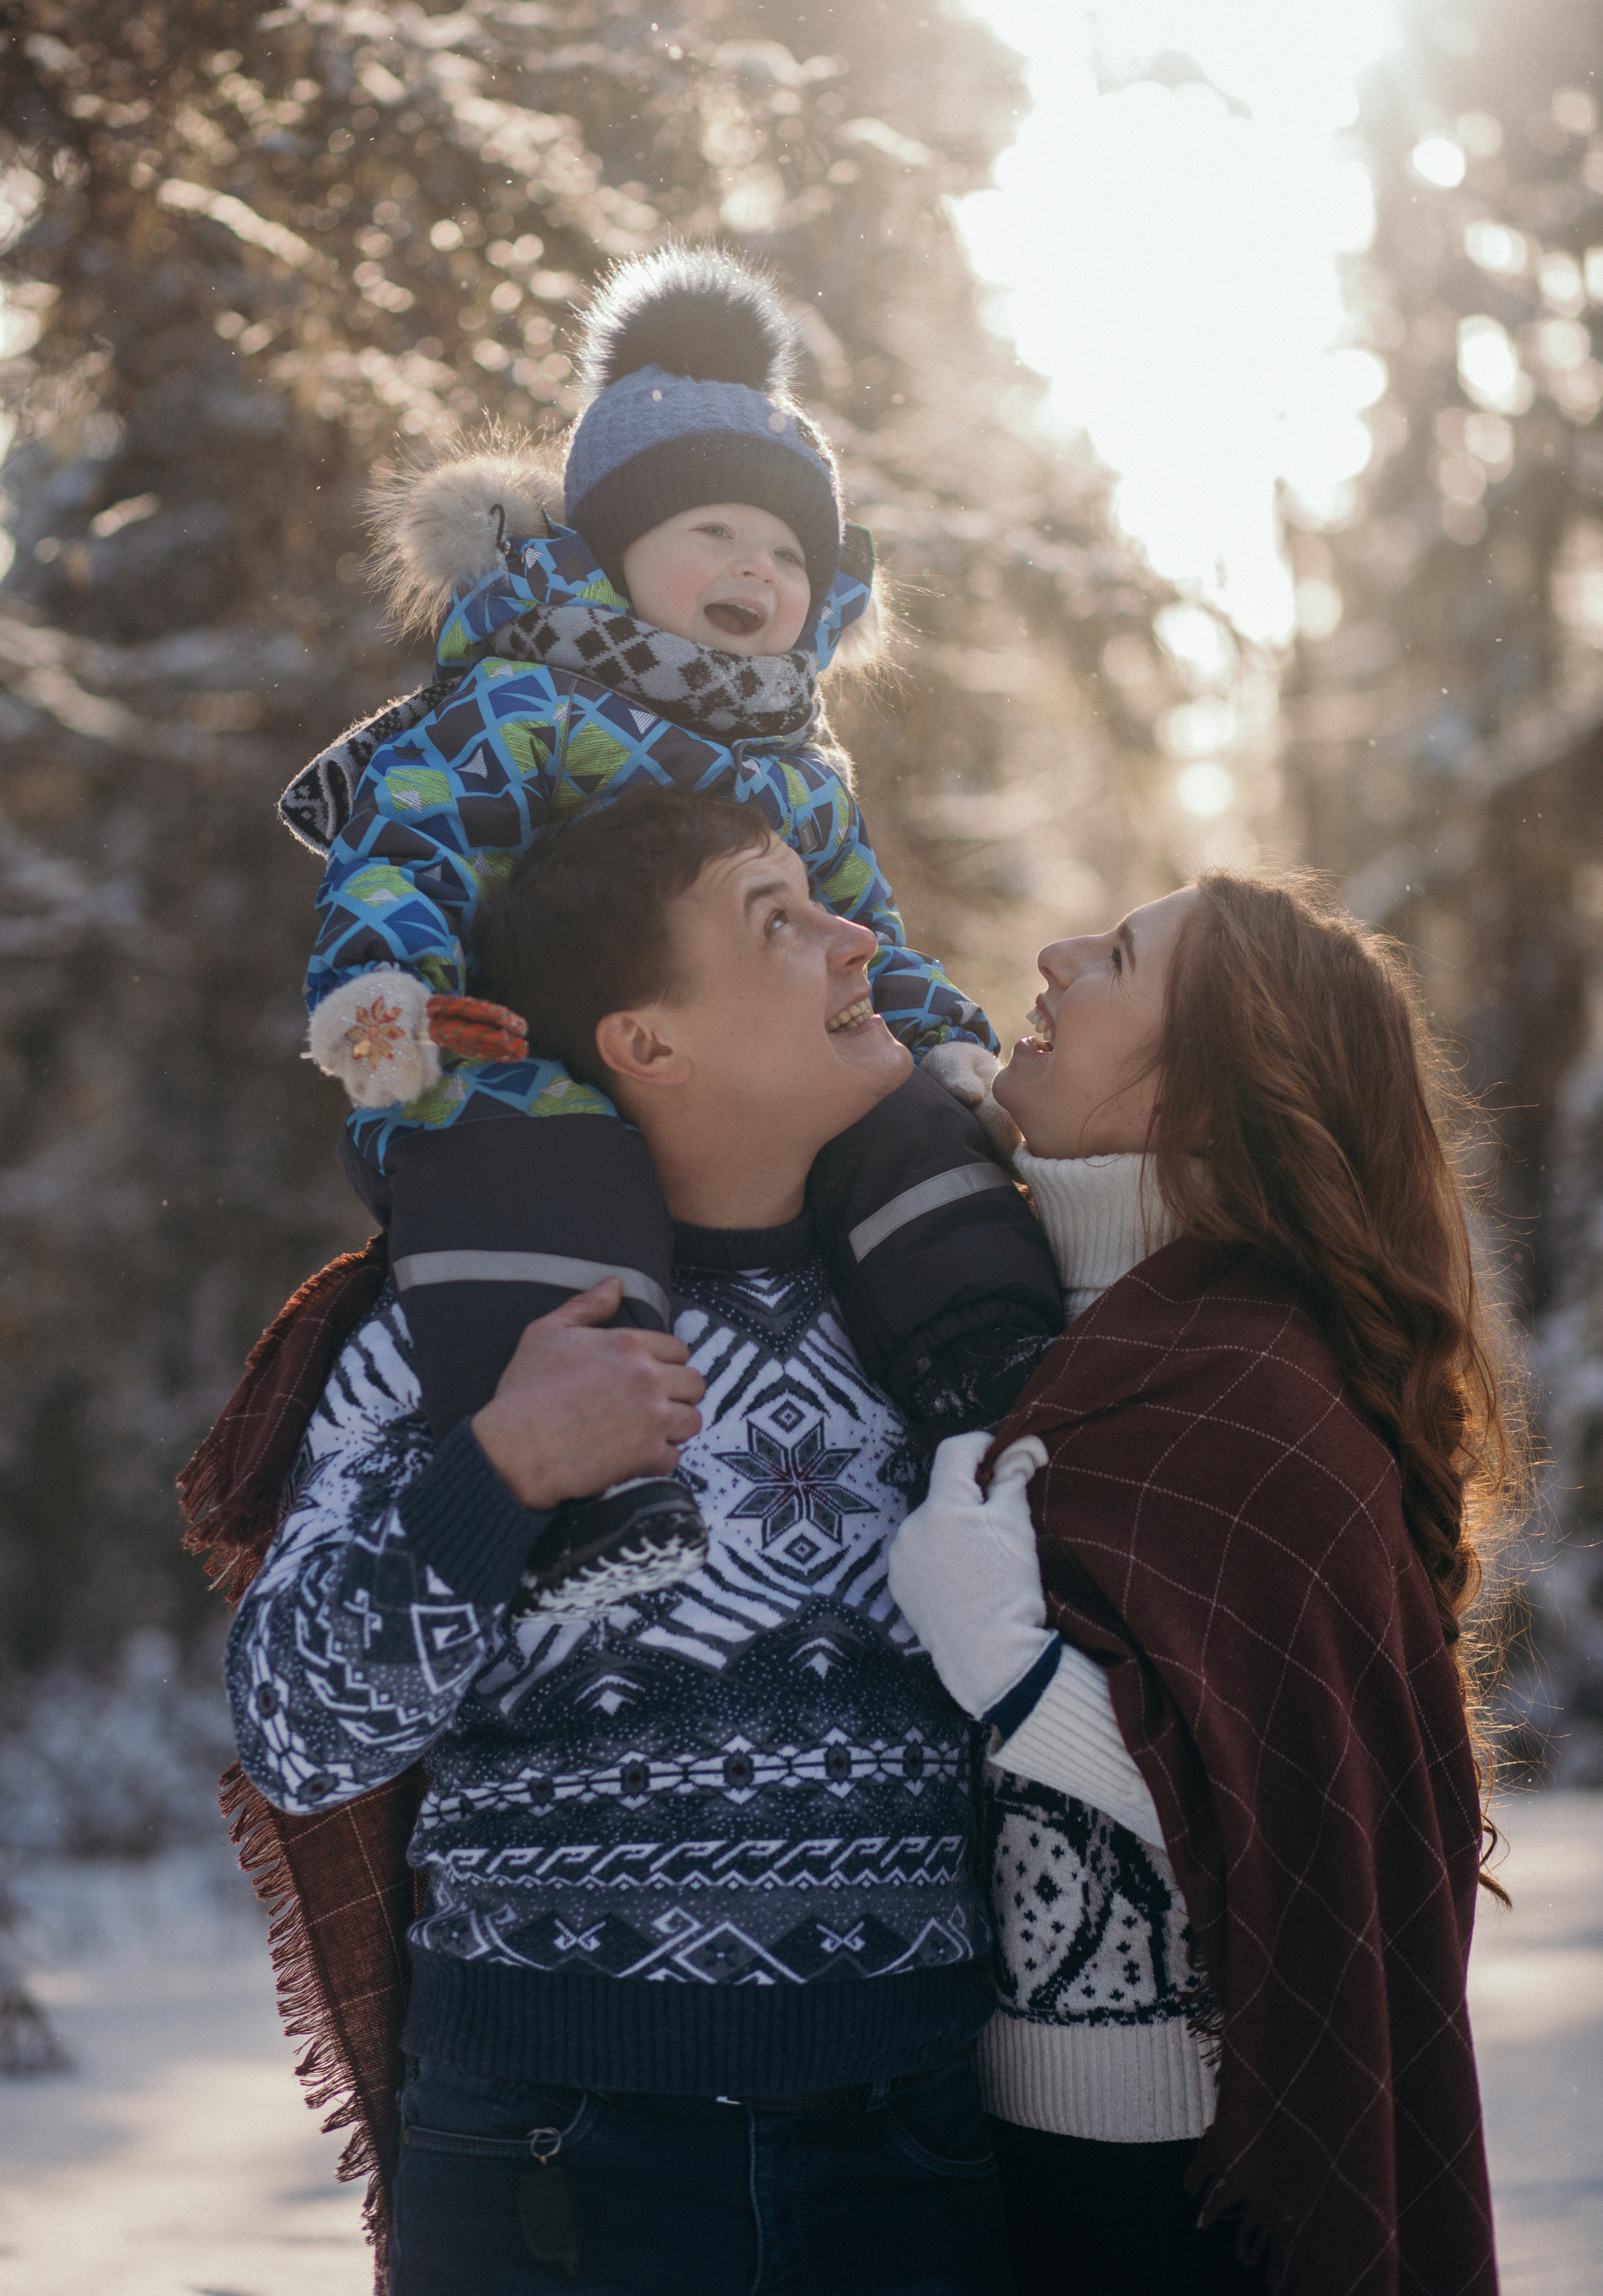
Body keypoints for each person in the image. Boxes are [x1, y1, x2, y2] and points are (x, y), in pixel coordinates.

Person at [227, 785, 1014, 2296]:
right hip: (553, 2160)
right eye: (775, 920)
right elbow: (296, 1736)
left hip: (909, 2142)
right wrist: (502, 1469)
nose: (857, 938)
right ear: (646, 1044)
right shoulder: (446, 1330)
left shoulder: (949, 1314)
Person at [279, 243, 1060, 1613]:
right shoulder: (520, 701)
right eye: (710, 533)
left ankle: (980, 1362)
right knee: (521, 1144)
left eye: (784, 551)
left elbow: (863, 934)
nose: (753, 568)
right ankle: (585, 1493)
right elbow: (406, 839)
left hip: (749, 1118)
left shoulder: (794, 759)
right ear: (604, 552)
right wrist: (384, 995)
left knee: (902, 1124)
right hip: (510, 1048)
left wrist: (948, 1048)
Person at [889, 870, 1515, 2296]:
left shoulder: (1258, 1391)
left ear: (1196, 1103)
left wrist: (999, 1655)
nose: (1046, 957)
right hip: (967, 2131)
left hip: (1179, 2179)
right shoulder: (1019, 1321)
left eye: (1111, 958)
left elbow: (1263, 1789)